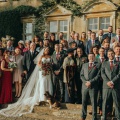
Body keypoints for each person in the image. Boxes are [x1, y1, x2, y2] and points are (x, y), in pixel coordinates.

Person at [80, 53, 101, 120]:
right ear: (88, 58)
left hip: (93, 86)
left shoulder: (97, 65)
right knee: (84, 101)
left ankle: (94, 117)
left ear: (94, 57)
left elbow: (98, 75)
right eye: (90, 56)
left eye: (92, 56)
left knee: (94, 102)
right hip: (85, 86)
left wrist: (91, 82)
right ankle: (83, 116)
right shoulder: (84, 65)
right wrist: (85, 82)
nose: (91, 58)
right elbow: (81, 75)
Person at [101, 49, 120, 120]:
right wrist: (108, 82)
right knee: (105, 102)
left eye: (112, 54)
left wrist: (112, 82)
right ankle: (104, 117)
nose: (110, 55)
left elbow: (119, 74)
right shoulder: (104, 63)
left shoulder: (118, 63)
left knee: (117, 103)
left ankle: (118, 117)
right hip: (106, 86)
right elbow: (102, 73)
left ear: (114, 54)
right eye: (109, 54)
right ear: (107, 55)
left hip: (115, 86)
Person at [95, 47, 107, 115]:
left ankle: (101, 109)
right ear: (99, 52)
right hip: (97, 80)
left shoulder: (106, 59)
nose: (102, 52)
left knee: (103, 95)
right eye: (101, 51)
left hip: (104, 80)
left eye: (103, 51)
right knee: (96, 95)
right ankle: (94, 109)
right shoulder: (95, 59)